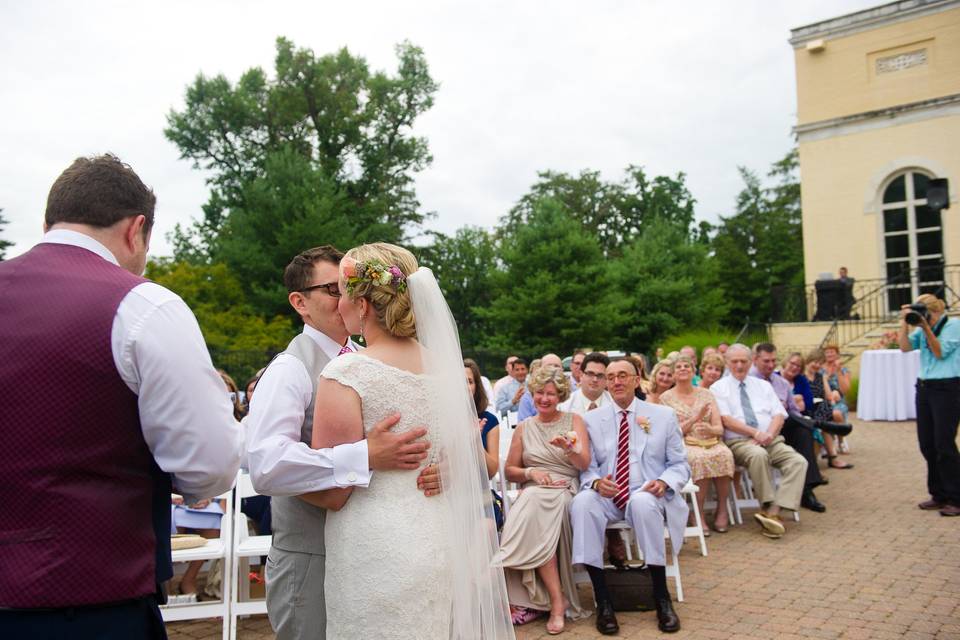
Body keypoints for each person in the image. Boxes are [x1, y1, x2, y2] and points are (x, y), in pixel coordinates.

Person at [0, 154, 242, 638]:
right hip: (89, 601)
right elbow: (211, 465)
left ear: (47, 223)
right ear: (137, 230)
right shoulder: (144, 306)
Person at [302, 243, 513, 638]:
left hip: (373, 545)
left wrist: (276, 478)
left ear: (363, 304)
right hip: (437, 537)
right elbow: (458, 460)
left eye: (343, 293)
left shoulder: (347, 371)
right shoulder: (446, 371)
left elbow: (332, 492)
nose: (338, 304)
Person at [245, 246, 439, 640]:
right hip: (311, 555)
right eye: (334, 289)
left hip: (383, 550)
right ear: (300, 302)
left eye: (350, 286)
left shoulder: (372, 361)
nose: (348, 296)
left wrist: (440, 466)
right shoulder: (289, 369)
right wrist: (364, 455)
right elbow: (266, 464)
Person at [570, 358, 689, 634]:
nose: (617, 382)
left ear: (637, 380)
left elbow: (680, 464)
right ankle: (604, 600)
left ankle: (661, 596)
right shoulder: (591, 420)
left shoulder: (662, 416)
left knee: (643, 502)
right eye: (611, 378)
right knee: (583, 502)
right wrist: (597, 483)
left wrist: (663, 481)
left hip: (646, 491)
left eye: (623, 376)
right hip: (609, 496)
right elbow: (588, 468)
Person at [498, 366, 591, 634]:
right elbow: (510, 470)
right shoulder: (524, 427)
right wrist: (532, 473)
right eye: (540, 393)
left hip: (564, 487)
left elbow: (584, 463)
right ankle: (556, 600)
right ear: (533, 394)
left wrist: (570, 449)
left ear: (560, 395)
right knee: (533, 503)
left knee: (536, 508)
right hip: (534, 488)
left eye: (551, 394)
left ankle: (553, 601)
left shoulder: (574, 420)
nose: (545, 399)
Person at [709, 344, 808, 539]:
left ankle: (773, 512)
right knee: (758, 454)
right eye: (735, 361)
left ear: (751, 362)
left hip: (771, 439)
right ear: (727, 363)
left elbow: (779, 414)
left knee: (798, 462)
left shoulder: (763, 386)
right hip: (740, 442)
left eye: (743, 361)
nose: (739, 365)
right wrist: (756, 434)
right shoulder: (718, 387)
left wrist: (768, 435)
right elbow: (727, 420)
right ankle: (767, 505)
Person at [750, 344, 834, 514]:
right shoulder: (748, 380)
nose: (771, 365)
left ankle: (807, 490)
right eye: (766, 361)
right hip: (759, 429)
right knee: (800, 426)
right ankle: (807, 490)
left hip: (784, 428)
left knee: (802, 430)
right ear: (755, 360)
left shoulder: (781, 383)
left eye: (774, 360)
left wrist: (793, 409)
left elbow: (795, 410)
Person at [898, 294, 960, 517]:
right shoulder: (920, 328)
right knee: (927, 444)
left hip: (947, 387)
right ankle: (938, 494)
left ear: (934, 311)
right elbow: (904, 348)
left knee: (944, 443)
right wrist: (904, 324)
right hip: (924, 387)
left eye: (926, 314)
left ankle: (956, 497)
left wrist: (925, 327)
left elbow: (940, 352)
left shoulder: (953, 325)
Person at [661, 356, 734, 533]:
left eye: (687, 365)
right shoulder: (666, 398)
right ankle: (697, 513)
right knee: (699, 459)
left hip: (711, 440)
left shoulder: (706, 394)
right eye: (679, 366)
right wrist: (696, 418)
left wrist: (710, 429)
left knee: (725, 455)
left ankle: (722, 509)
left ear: (694, 371)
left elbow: (719, 428)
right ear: (673, 374)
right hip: (685, 443)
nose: (683, 368)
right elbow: (672, 432)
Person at [466, 357, 504, 529]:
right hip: (448, 497)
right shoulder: (441, 421)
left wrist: (475, 443)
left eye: (469, 381)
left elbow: (491, 471)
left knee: (486, 527)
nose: (464, 386)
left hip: (481, 496)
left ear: (476, 387)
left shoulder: (489, 421)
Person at [803, 349, 853, 470]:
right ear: (808, 361)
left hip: (820, 407)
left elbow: (828, 396)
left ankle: (832, 454)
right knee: (824, 424)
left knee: (824, 419)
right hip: (807, 408)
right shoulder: (801, 376)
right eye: (815, 362)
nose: (817, 365)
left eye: (820, 363)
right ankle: (833, 457)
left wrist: (832, 390)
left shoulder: (820, 376)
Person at [823, 343, 851, 451]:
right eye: (827, 352)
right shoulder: (819, 369)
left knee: (836, 413)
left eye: (832, 352)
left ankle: (841, 440)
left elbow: (845, 390)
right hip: (823, 399)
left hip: (838, 401)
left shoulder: (844, 370)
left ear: (837, 355)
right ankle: (828, 441)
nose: (829, 354)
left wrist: (838, 371)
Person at [518, 353, 564, 421]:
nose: (553, 369)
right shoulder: (527, 398)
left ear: (562, 369)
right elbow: (524, 427)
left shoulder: (573, 393)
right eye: (549, 366)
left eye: (556, 366)